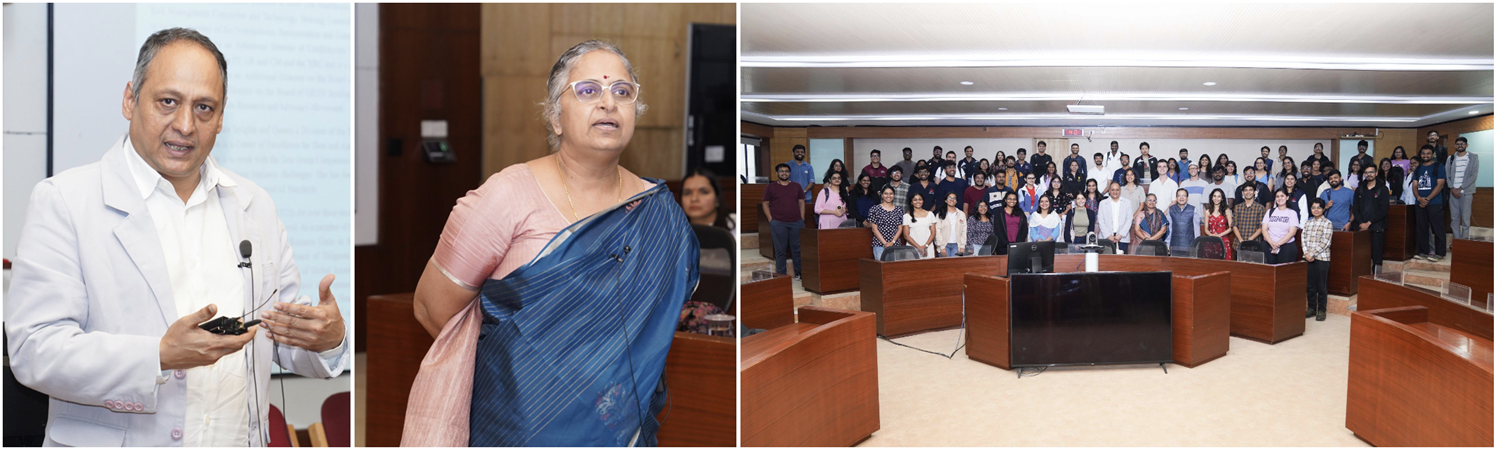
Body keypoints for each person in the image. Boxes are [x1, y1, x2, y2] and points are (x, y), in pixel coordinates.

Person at [6, 28, 351, 447]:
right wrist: (158, 355)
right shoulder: (65, 201)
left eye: (204, 108)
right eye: (168, 102)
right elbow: (34, 350)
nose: (186, 125)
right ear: (130, 99)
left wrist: (327, 339)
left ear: (222, 118)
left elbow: (282, 339)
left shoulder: (255, 205)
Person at [406, 41, 702, 446]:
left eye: (622, 91)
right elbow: (430, 307)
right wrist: (536, 369)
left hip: (617, 428)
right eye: (588, 91)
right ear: (555, 117)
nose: (607, 103)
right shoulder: (506, 195)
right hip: (519, 424)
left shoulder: (657, 212)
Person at [761, 162, 806, 279]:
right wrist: (771, 219)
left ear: (789, 173)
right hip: (778, 223)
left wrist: (802, 218)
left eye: (786, 171)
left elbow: (801, 202)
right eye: (781, 171)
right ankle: (781, 276)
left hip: (796, 222)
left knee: (797, 250)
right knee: (780, 251)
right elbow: (765, 204)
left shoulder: (797, 186)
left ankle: (799, 274)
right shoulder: (770, 187)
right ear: (777, 173)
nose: (784, 173)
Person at [1352, 164, 1390, 274]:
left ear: (1376, 173)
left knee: (1377, 253)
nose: (1369, 175)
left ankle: (1377, 277)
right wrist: (1360, 223)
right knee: (1360, 253)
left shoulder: (1383, 189)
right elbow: (1355, 208)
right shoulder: (1360, 189)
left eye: (1371, 172)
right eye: (1367, 172)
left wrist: (1369, 223)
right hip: (1360, 226)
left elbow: (1384, 209)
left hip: (1376, 225)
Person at [1302, 199, 1333, 321]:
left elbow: (1325, 242)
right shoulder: (1308, 223)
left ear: (1323, 209)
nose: (1316, 210)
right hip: (1308, 258)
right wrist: (1306, 253)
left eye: (1318, 208)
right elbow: (1303, 238)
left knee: (1321, 285)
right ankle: (1311, 308)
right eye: (1313, 207)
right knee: (1310, 285)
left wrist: (1312, 253)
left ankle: (1321, 310)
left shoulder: (1327, 223)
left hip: (1322, 258)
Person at [1447, 136, 1479, 240]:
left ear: (1466, 145)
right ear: (1455, 146)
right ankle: (1457, 242)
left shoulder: (1473, 157)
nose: (1460, 145)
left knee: (1465, 219)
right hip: (1453, 193)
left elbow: (1473, 176)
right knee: (1454, 219)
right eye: (1458, 144)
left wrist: (1460, 188)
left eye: (1462, 144)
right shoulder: (1451, 158)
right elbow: (1447, 175)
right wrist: (1452, 188)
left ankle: (1464, 243)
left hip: (1466, 192)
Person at [1262, 190, 1302, 264]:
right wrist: (1271, 243)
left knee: (1284, 273)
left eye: (1282, 196)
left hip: (1287, 247)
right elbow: (1264, 229)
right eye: (1277, 196)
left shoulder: (1292, 213)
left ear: (1287, 197)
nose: (1279, 198)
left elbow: (1292, 232)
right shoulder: (1270, 212)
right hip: (1269, 245)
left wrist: (1277, 244)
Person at [1099, 182, 1136, 253]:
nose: (1115, 192)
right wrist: (1108, 236)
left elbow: (1129, 220)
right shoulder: (1103, 203)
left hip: (1122, 238)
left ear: (1120, 191)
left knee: (1121, 262)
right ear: (1109, 191)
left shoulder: (1127, 203)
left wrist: (1121, 235)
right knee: (1106, 261)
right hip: (1106, 238)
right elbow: (1101, 221)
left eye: (1117, 190)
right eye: (1113, 190)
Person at [868, 186, 904, 260]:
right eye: (886, 194)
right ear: (881, 195)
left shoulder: (899, 210)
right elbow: (874, 229)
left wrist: (892, 242)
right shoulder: (875, 209)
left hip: (895, 244)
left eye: (891, 194)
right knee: (881, 268)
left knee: (894, 268)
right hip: (879, 244)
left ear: (894, 195)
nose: (888, 196)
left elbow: (900, 228)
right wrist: (885, 243)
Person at [1233, 184, 1268, 253]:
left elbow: (1261, 227)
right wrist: (1241, 240)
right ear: (1243, 193)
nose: (1248, 192)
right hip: (1238, 244)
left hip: (1254, 245)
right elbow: (1234, 225)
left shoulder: (1260, 208)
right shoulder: (1237, 207)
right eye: (1246, 190)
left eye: (1250, 190)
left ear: (1254, 192)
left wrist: (1250, 240)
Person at [902, 193, 938, 258]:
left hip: (928, 247)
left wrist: (925, 246)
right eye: (915, 200)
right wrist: (919, 247)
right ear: (911, 202)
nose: (918, 201)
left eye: (920, 199)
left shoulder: (930, 214)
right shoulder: (907, 216)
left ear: (923, 201)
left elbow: (933, 233)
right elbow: (906, 235)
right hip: (912, 248)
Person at [1203, 188, 1235, 260]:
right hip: (1211, 240)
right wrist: (1212, 235)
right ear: (1211, 198)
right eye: (1214, 196)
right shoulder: (1208, 211)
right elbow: (1206, 229)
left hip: (1223, 239)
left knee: (1224, 263)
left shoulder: (1226, 210)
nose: (1216, 198)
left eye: (1219, 196)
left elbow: (1231, 227)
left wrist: (1220, 235)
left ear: (1222, 198)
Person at [934, 192, 968, 257]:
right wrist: (941, 247)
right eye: (949, 198)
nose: (952, 200)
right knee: (945, 266)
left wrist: (962, 246)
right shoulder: (940, 214)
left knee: (955, 266)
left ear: (956, 201)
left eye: (954, 198)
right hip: (944, 245)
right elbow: (938, 231)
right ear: (946, 200)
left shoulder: (961, 214)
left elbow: (964, 231)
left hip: (956, 245)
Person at [1166, 189, 1198, 255]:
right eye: (1179, 196)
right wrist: (1168, 244)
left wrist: (1197, 246)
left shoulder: (1193, 209)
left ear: (1187, 198)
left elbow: (1196, 230)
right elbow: (1169, 229)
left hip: (1189, 245)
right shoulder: (1171, 209)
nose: (1181, 197)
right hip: (1174, 245)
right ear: (1176, 198)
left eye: (1184, 196)